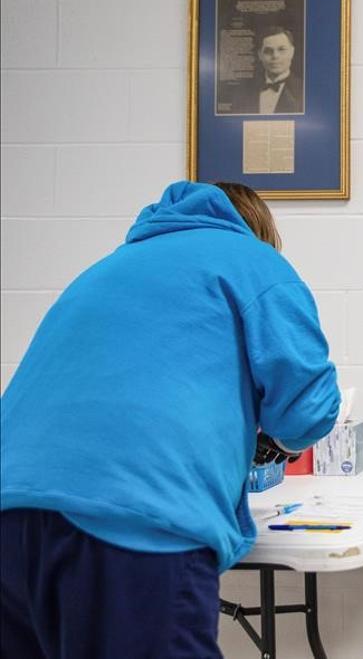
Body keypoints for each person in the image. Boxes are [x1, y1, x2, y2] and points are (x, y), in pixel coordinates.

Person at [0, 181, 340, 658]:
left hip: (11, 508)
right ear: (258, 230)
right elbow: (308, 410)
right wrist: (277, 442)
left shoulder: (107, 268)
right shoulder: (254, 262)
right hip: (130, 517)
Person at [233, 26, 304, 114]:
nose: (275, 56)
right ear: (260, 55)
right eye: (268, 51)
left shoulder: (304, 89)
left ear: (292, 52)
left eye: (281, 49)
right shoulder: (243, 91)